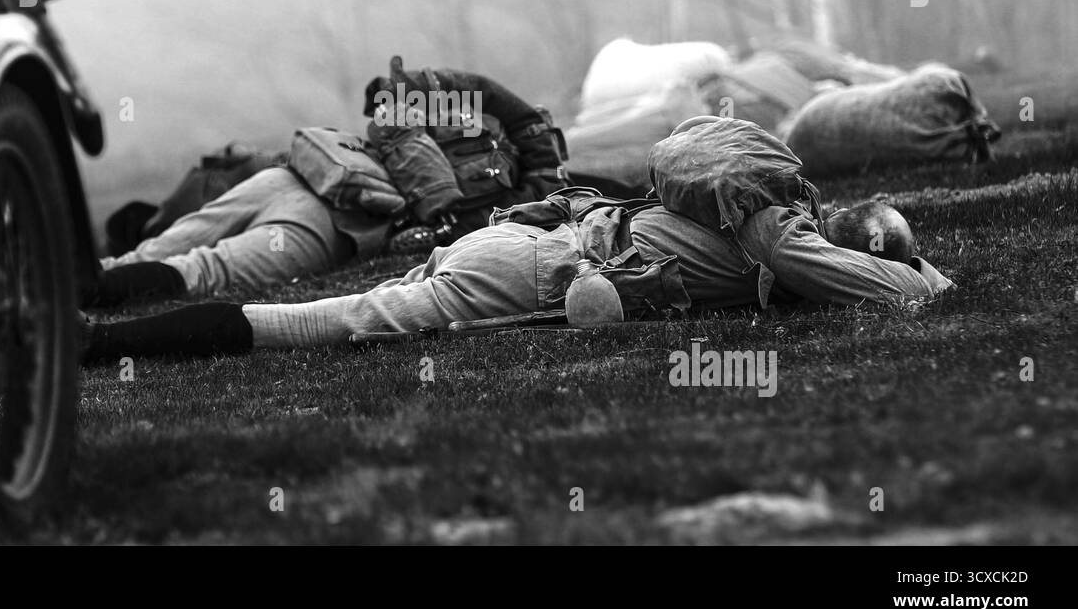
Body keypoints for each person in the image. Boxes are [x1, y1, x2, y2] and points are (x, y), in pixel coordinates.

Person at [79, 190, 953, 361]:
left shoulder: (747, 205)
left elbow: (866, 264)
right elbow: (892, 288)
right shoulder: (784, 240)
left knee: (226, 265)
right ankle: (93, 343)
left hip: (518, 243)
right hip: (534, 278)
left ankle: (90, 318)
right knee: (316, 323)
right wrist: (930, 280)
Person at [84, 59, 572, 306]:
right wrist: (438, 195)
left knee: (202, 270)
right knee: (156, 249)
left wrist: (442, 219)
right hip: (300, 176)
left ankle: (71, 304)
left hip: (340, 228)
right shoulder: (458, 112)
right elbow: (393, 95)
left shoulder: (520, 197)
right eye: (528, 128)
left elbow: (521, 211)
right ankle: (61, 290)